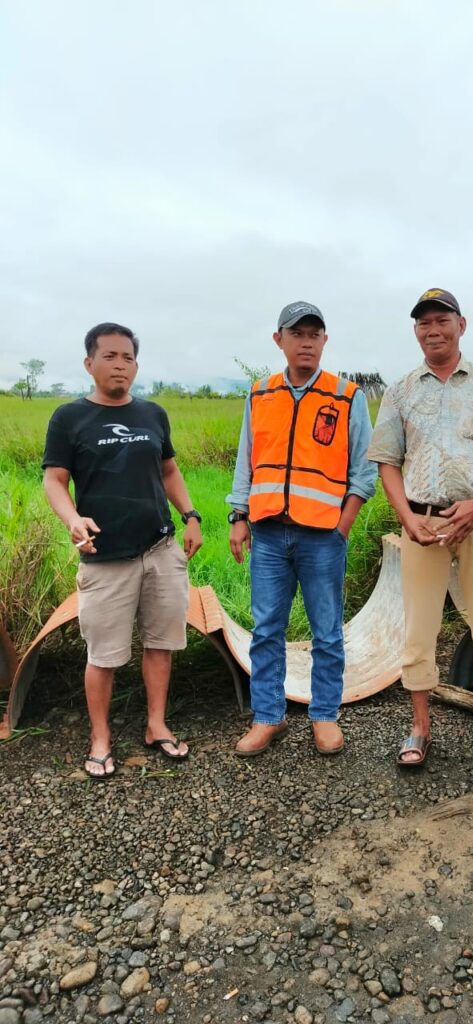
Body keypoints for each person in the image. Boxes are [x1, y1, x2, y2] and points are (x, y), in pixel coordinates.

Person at [368, 288, 473, 782]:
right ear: (415, 332)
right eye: (423, 323)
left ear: (461, 325)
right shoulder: (400, 390)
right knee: (419, 628)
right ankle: (420, 726)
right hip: (423, 524)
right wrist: (407, 518)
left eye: (441, 320)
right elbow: (388, 462)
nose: (432, 330)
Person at [42, 323, 203, 781]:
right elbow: (54, 480)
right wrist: (73, 519)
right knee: (104, 653)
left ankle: (156, 724)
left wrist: (191, 515)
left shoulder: (152, 414)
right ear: (89, 363)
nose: (120, 364)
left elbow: (169, 470)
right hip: (105, 555)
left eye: (128, 357)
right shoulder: (69, 418)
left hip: (161, 548)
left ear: (136, 365)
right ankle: (100, 737)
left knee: (161, 642)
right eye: (110, 356)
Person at [227, 302, 377, 756]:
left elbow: (364, 472)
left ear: (325, 341)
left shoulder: (346, 396)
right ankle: (267, 717)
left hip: (322, 537)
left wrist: (343, 526)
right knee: (267, 628)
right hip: (270, 534)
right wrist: (238, 516)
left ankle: (325, 715)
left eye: (315, 334)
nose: (306, 341)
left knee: (327, 631)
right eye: (297, 333)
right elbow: (245, 462)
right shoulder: (260, 394)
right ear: (280, 340)